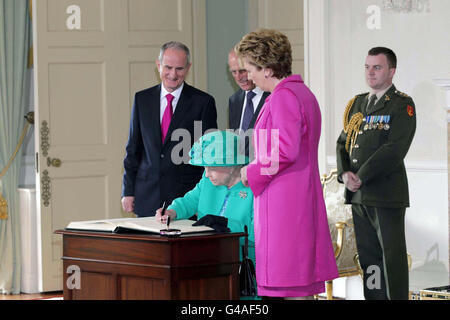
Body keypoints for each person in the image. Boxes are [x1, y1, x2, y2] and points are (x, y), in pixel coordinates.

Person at [237, 29, 338, 299]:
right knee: (297, 289)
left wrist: (251, 171)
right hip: (298, 199)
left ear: (268, 68)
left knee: (287, 289)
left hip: (284, 206)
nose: (249, 76)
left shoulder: (283, 97)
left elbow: (285, 150)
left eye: (250, 69)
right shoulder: (302, 93)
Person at [336, 47, 416, 300]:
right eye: (367, 67)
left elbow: (395, 149)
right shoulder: (357, 103)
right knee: (369, 260)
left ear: (391, 71)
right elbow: (343, 142)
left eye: (377, 67)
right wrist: (345, 173)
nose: (370, 72)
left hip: (385, 195)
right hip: (359, 197)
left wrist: (362, 175)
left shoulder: (402, 104)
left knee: (390, 259)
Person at [122, 41, 218, 217]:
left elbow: (209, 155)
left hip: (185, 197)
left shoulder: (203, 102)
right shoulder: (142, 99)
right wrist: (128, 190)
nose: (173, 74)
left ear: (188, 68)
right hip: (147, 196)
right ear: (158, 65)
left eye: (179, 69)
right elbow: (133, 149)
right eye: (168, 67)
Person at [155, 130, 256, 271]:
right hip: (207, 259)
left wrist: (227, 225)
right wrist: (172, 211)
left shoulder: (254, 188)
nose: (207, 174)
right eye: (205, 168)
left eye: (212, 168)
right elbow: (190, 200)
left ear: (233, 165)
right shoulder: (208, 181)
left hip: (242, 267)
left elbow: (258, 234)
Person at [228, 49, 270, 132]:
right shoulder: (234, 100)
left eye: (242, 71)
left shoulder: (274, 97)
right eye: (234, 72)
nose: (238, 77)